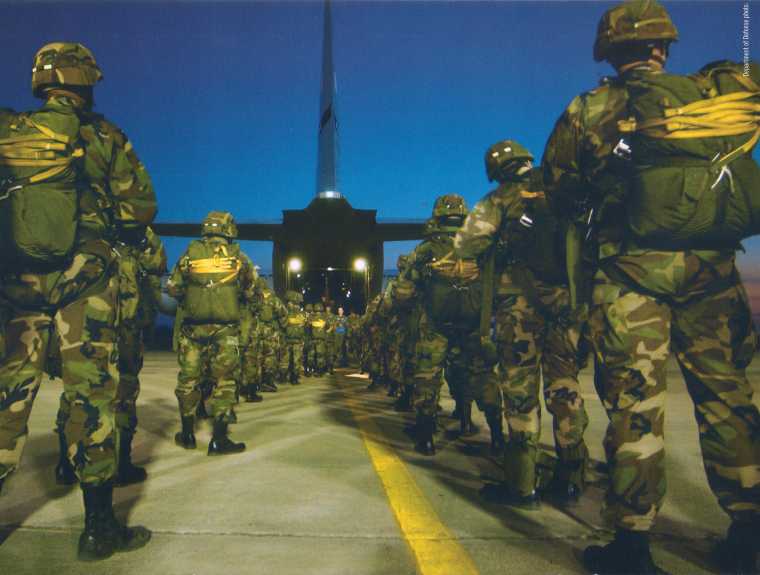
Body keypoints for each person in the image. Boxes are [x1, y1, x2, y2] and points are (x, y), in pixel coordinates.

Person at [542, 2, 760, 572]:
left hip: (631, 276)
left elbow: (559, 187)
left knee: (636, 408)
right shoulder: (706, 101)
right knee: (728, 399)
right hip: (710, 274)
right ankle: (749, 533)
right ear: (664, 47)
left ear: (611, 52)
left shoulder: (591, 108)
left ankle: (633, 546)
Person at [0, 42, 154, 560]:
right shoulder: (104, 136)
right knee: (92, 399)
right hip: (83, 287)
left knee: (6, 401)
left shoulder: (10, 131)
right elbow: (140, 210)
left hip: (15, 288)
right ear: (85, 83)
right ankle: (98, 530)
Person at [455, 140, 589, 508]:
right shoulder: (563, 190)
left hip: (519, 312)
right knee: (566, 389)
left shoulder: (501, 200)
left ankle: (522, 486)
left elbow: (465, 245)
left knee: (520, 395)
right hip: (567, 307)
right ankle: (572, 478)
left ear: (497, 170)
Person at [55, 226, 167, 486]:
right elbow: (158, 263)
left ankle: (66, 464)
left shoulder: (80, 229)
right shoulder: (132, 235)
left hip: (79, 323)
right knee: (125, 390)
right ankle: (121, 464)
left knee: (75, 390)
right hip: (122, 327)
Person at [394, 195, 502, 456]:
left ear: (437, 216)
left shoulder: (427, 249)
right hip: (473, 325)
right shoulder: (483, 247)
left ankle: (427, 437)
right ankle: (498, 435)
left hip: (436, 325)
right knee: (481, 377)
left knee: (428, 379)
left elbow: (403, 293)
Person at [167, 211, 257, 455]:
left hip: (193, 329)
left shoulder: (189, 255)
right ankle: (219, 440)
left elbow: (173, 288)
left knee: (188, 379)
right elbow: (251, 291)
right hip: (225, 330)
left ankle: (187, 434)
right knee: (225, 381)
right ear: (228, 229)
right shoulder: (239, 258)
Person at [283, 290, 306, 385]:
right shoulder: (286, 313)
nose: (296, 306)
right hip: (289, 340)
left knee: (295, 360)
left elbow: (303, 327)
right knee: (288, 360)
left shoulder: (300, 314)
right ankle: (289, 377)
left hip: (295, 340)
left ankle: (293, 377)